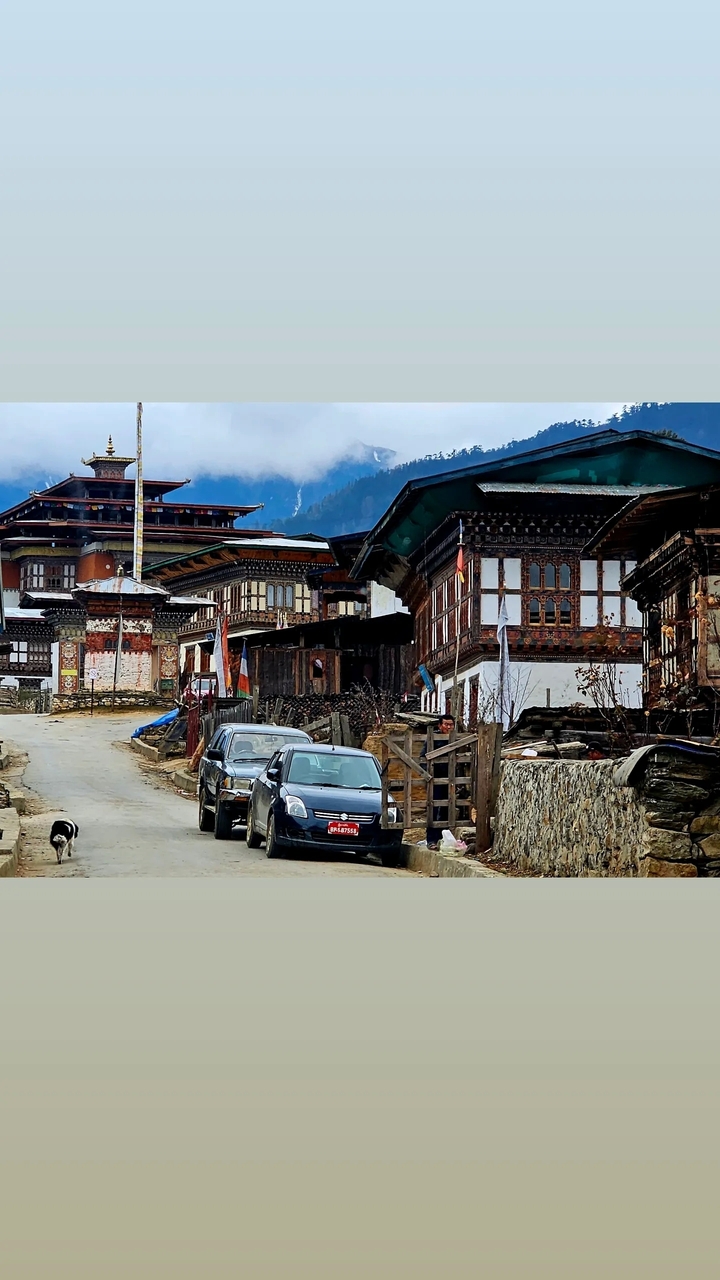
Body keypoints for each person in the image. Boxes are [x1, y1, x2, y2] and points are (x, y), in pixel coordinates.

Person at [421, 713, 455, 849]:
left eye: (451, 724)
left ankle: (444, 838)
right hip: (434, 780)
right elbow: (423, 758)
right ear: (440, 725)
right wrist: (428, 775)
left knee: (448, 809)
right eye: (446, 724)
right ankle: (431, 840)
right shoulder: (432, 739)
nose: (449, 727)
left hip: (451, 780)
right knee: (433, 809)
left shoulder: (456, 739)